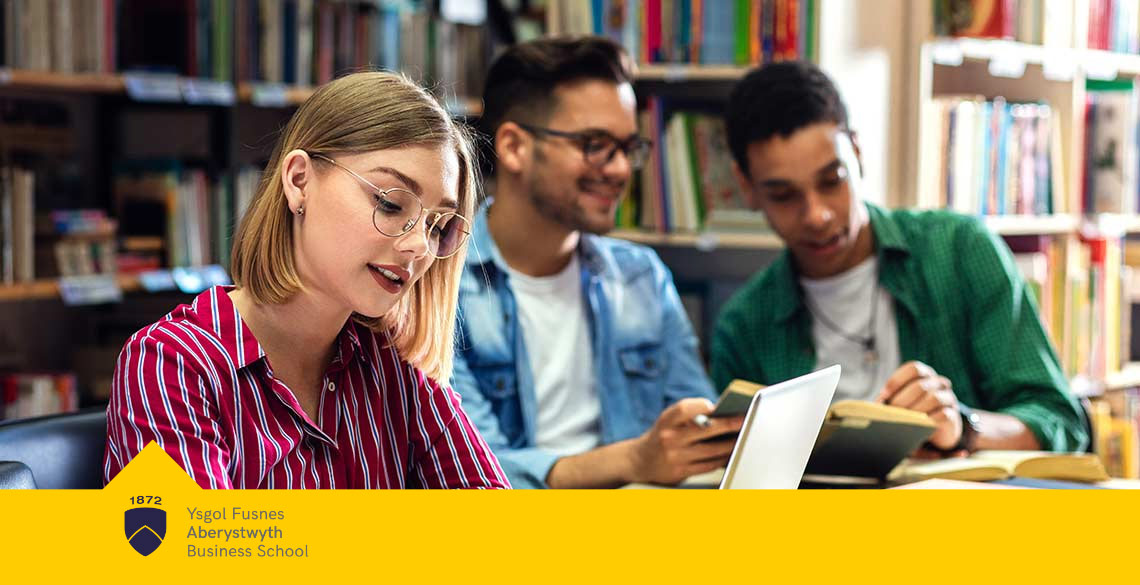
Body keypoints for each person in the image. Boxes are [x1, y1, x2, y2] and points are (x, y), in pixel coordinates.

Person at [103, 72, 510, 489]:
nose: (420, 246)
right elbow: (197, 548)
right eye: (390, 204)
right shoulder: (171, 363)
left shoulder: (396, 361)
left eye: (438, 226)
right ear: (299, 181)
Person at [710, 61, 1088, 455]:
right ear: (747, 188)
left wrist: (963, 428)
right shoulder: (744, 328)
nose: (817, 215)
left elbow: (1059, 422)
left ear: (857, 153)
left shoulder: (959, 250)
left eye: (832, 180)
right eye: (784, 196)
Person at [450, 36, 743, 489]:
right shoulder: (439, 285)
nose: (622, 170)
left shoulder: (641, 276)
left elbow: (697, 438)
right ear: (513, 148)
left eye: (628, 147)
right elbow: (465, 471)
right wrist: (633, 461)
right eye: (595, 144)